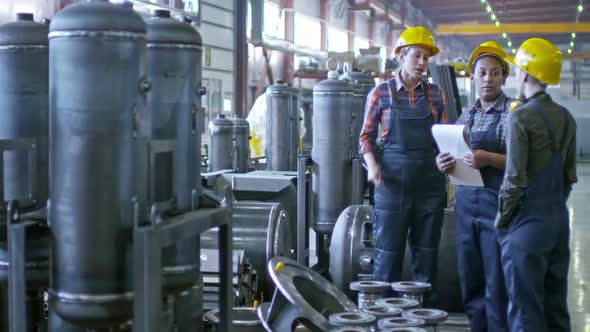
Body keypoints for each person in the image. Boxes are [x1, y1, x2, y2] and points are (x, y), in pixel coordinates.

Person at [359, 26, 447, 303]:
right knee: (387, 255)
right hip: (391, 183)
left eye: (426, 58)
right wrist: (372, 165)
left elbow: (444, 138)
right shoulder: (380, 93)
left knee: (426, 254)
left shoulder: (436, 94)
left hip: (429, 185)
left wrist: (449, 160)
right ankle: (384, 317)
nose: (422, 63)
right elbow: (365, 138)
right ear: (401, 55)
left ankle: (422, 317)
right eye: (417, 56)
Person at [496, 37, 577, 332]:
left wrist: (503, 220)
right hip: (557, 221)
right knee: (555, 308)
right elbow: (569, 177)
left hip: (526, 225)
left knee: (525, 310)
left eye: (518, 70)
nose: (517, 76)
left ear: (527, 73)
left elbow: (514, 179)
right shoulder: (567, 118)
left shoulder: (520, 116)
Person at [436, 40, 513, 331]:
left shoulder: (512, 113)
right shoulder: (466, 115)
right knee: (470, 279)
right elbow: (454, 155)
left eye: (495, 73)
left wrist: (490, 158)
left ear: (504, 77)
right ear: (473, 76)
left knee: (497, 280)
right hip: (466, 206)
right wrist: (443, 163)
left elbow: (523, 163)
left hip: (499, 206)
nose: (488, 79)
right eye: (482, 72)